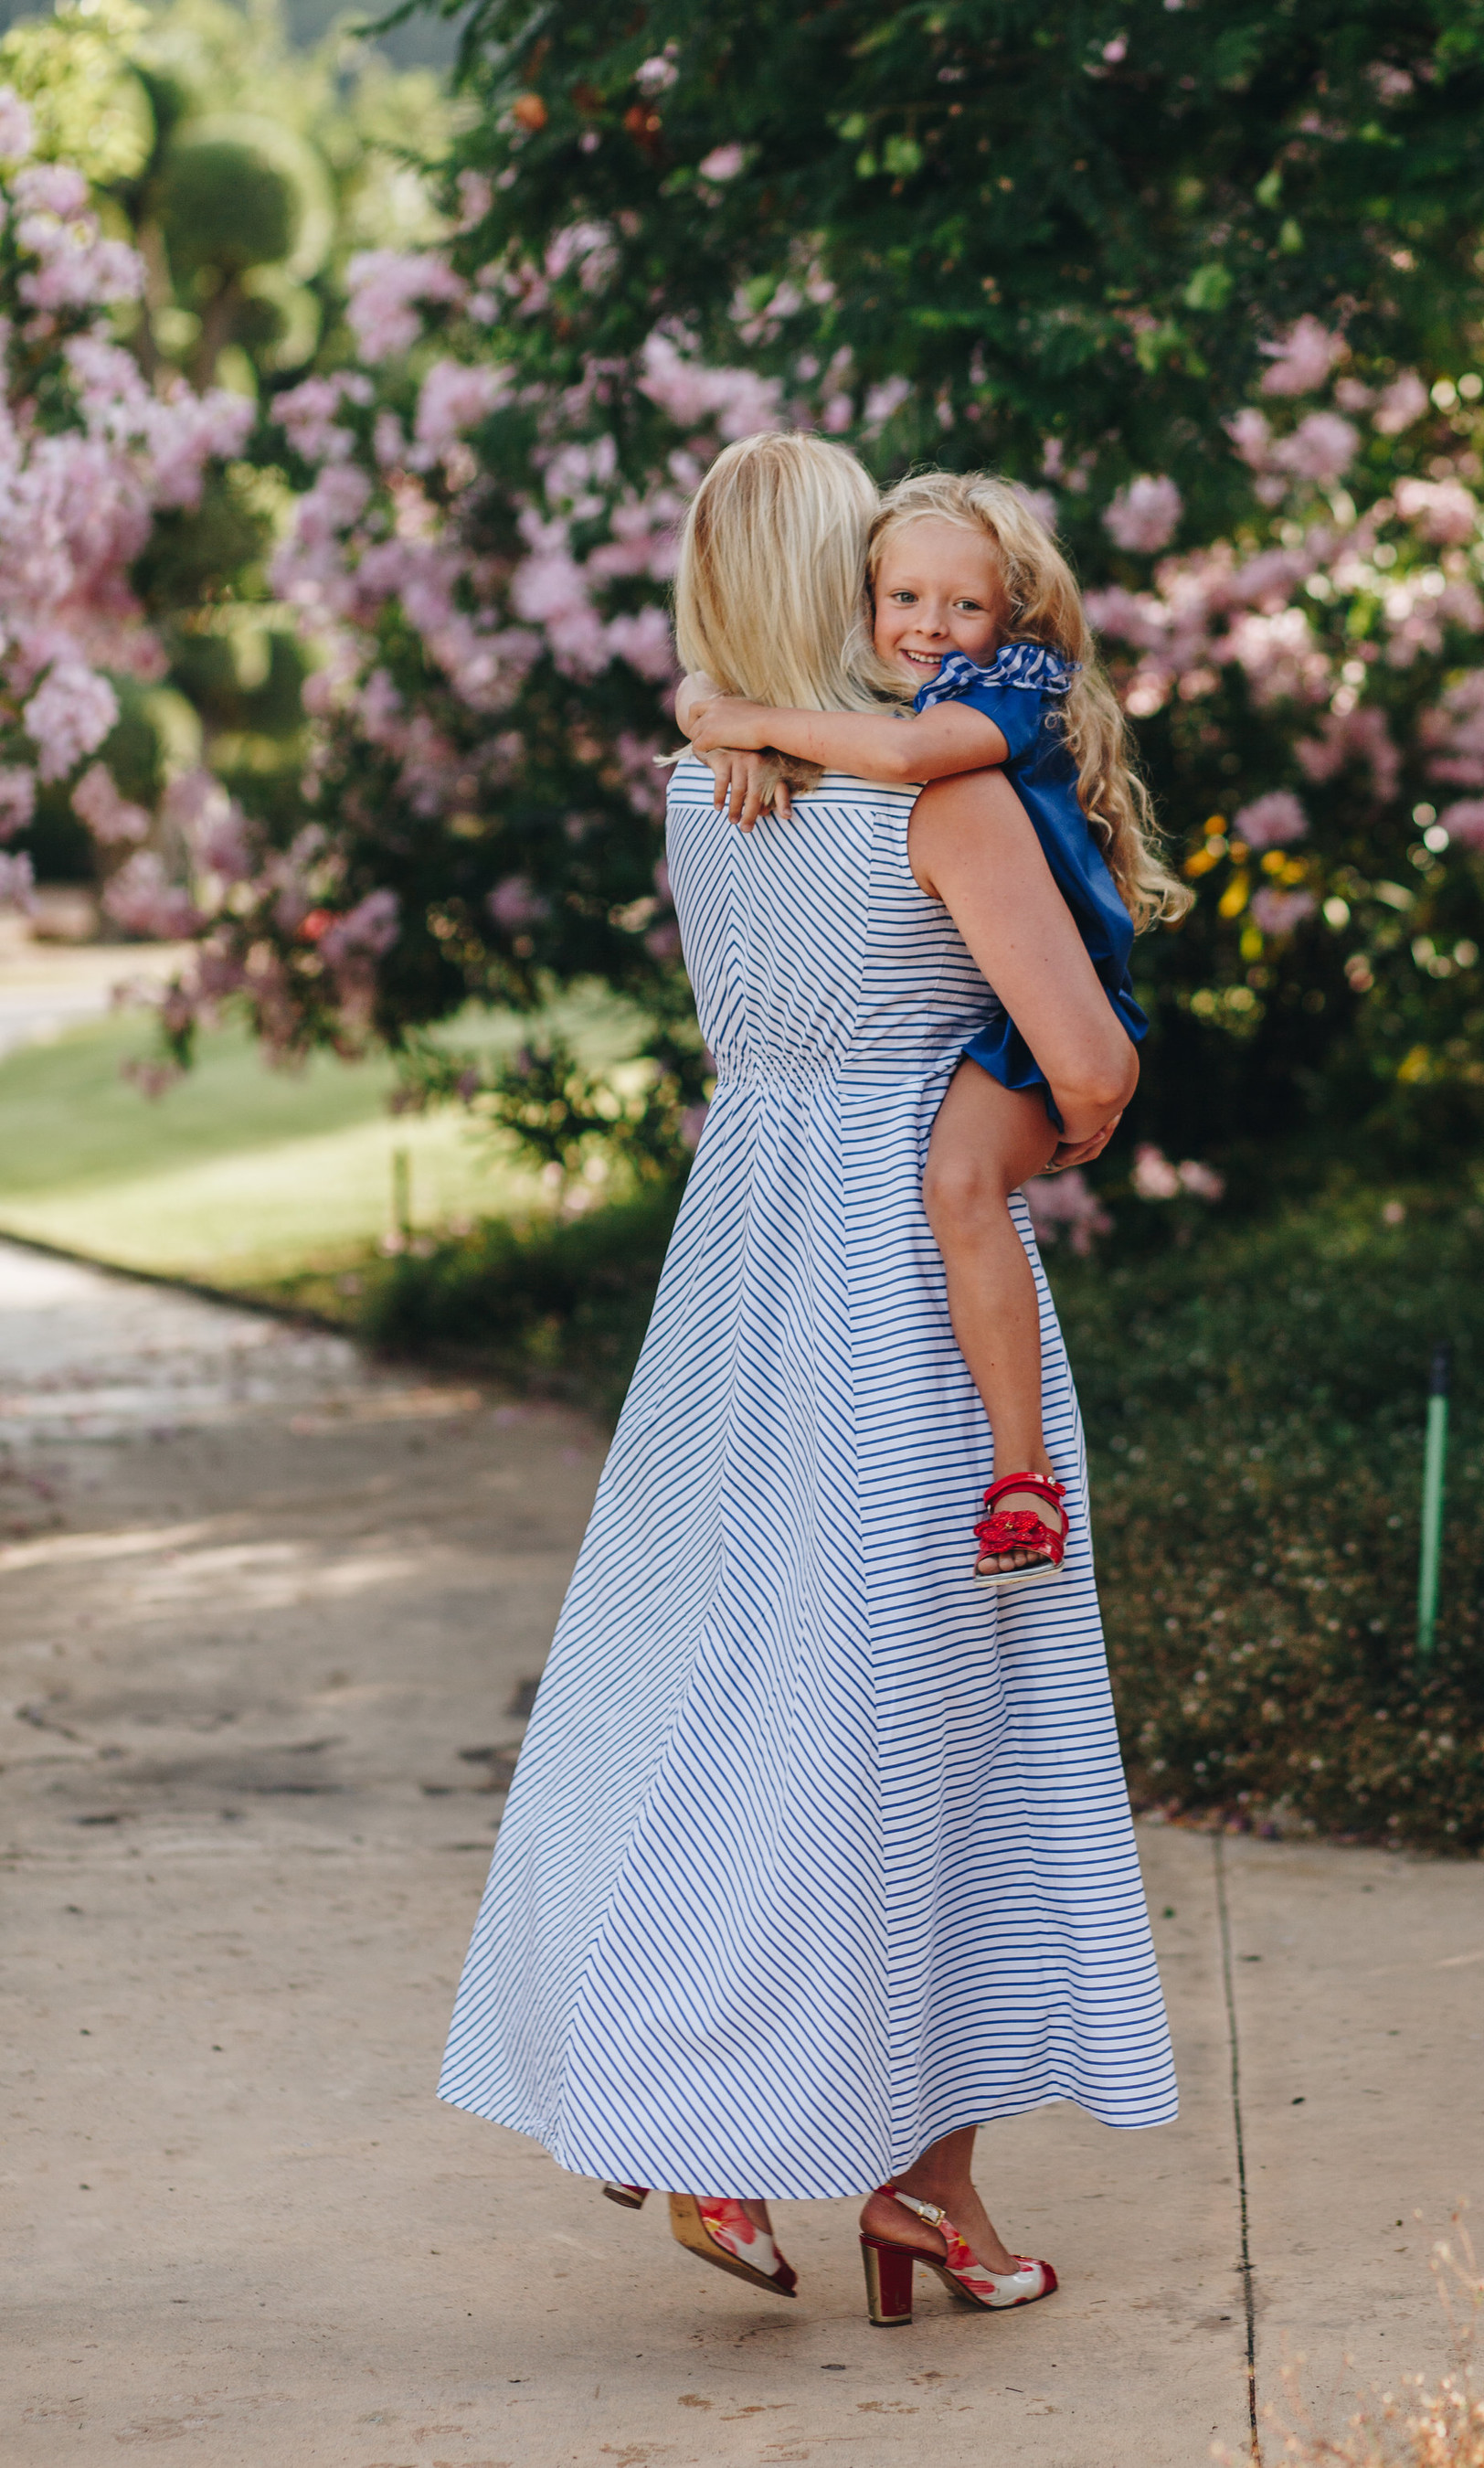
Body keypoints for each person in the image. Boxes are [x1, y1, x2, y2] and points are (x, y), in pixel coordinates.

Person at [438, 431, 1177, 2329]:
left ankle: (872, 2166)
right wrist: (1024, 1136)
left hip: (738, 1275)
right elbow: (1088, 1072)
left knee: (726, 1688)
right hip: (899, 1298)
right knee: (940, 1728)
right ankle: (797, 2137)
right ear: (850, 587)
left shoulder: (704, 791)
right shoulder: (952, 805)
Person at [683, 470, 1188, 1591]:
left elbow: (907, 763)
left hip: (1037, 1014)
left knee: (960, 1188)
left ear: (1010, 617)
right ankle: (1017, 1470)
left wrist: (742, 722)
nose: (929, 627)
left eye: (963, 606)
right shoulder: (856, 715)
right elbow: (718, 693)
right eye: (902, 598)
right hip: (993, 1025)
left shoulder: (1006, 692)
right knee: (954, 1189)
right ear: (858, 599)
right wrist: (715, 717)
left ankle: (1020, 1471)